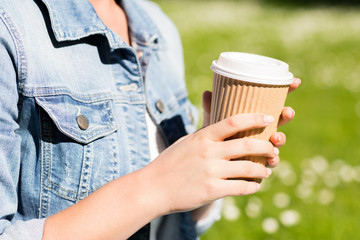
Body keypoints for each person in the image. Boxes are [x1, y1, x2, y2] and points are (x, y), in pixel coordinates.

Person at [0, 0, 301, 239]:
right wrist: (157, 186)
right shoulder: (11, 26)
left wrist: (216, 160)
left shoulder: (156, 24)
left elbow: (176, 226)